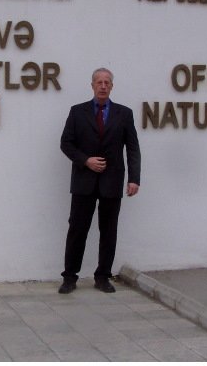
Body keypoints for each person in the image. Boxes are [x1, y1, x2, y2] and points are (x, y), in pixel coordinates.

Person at [58, 67, 141, 294]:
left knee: (108, 230)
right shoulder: (77, 112)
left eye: (107, 82)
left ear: (112, 86)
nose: (103, 86)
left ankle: (103, 276)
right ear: (92, 85)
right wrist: (86, 161)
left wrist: (134, 179)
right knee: (77, 229)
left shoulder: (124, 114)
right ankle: (70, 277)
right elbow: (66, 143)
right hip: (84, 181)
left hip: (111, 182)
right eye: (99, 82)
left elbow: (132, 148)